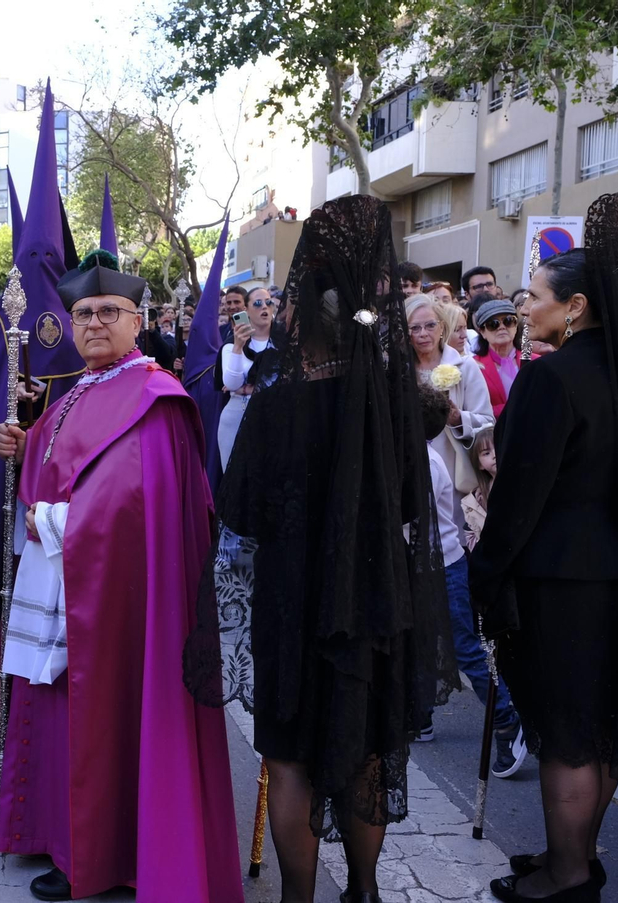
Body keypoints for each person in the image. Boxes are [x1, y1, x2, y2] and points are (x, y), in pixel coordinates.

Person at [0, 249, 242, 902]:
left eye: (108, 312)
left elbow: (135, 496)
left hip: (124, 599)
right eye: (83, 313)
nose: (93, 323)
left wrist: (54, 519)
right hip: (62, 582)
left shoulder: (157, 398)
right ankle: (60, 831)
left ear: (136, 319)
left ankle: (112, 854)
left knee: (113, 718)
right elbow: (66, 460)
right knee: (63, 707)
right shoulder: (76, 393)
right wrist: (26, 439)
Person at [470, 194, 618, 901]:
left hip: (562, 579)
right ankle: (569, 852)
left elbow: (523, 492)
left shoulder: (552, 375)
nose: (526, 307)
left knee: (567, 728)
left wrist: (489, 565)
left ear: (574, 306)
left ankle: (569, 870)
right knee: (602, 721)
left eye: (534, 297)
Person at [216, 196, 453, 903]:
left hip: (292, 601)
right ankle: (366, 888)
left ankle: (297, 895)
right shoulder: (397, 401)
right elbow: (417, 502)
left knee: (288, 757)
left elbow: (241, 512)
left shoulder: (275, 404)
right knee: (365, 752)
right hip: (375, 598)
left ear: (298, 315)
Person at [419, 386, 526, 779]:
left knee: (465, 649)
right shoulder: (411, 456)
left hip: (443, 568)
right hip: (422, 569)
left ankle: (506, 720)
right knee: (419, 640)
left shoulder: (422, 464)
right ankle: (421, 713)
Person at [406, 293, 493, 534]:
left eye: (430, 325)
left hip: (453, 471)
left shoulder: (465, 367)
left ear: (442, 327)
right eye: (414, 327)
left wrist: (458, 419)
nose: (423, 333)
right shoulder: (400, 371)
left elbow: (487, 423)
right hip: (410, 468)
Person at [217, 285, 277, 469]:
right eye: (257, 303)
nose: (264, 307)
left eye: (268, 302)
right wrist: (237, 347)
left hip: (274, 416)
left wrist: (253, 387)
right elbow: (231, 383)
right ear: (247, 310)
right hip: (237, 415)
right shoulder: (231, 345)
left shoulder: (284, 343)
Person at [471, 296, 521, 416]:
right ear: (482, 332)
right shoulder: (473, 366)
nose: (502, 327)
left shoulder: (535, 360)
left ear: (515, 326)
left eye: (508, 321)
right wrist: (518, 408)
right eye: (493, 324)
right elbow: (474, 410)